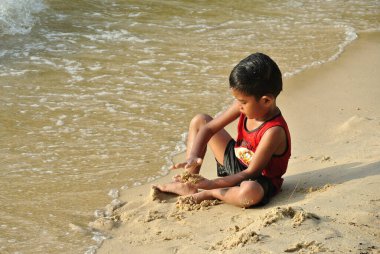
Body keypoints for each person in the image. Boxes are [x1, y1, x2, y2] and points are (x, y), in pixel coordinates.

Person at [155, 53, 291, 208]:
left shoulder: (273, 131)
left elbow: (250, 172)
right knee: (200, 119)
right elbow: (207, 128)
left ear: (266, 100)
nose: (238, 106)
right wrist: (193, 156)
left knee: (249, 193)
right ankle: (189, 182)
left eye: (243, 102)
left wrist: (211, 186)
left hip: (258, 179)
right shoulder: (244, 105)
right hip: (236, 163)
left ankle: (213, 194)